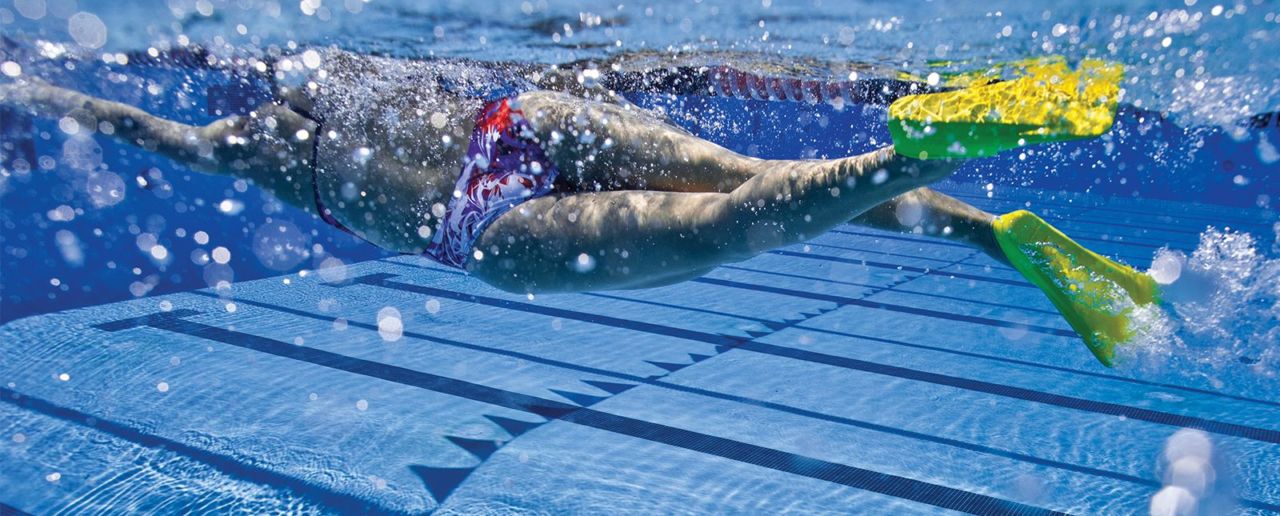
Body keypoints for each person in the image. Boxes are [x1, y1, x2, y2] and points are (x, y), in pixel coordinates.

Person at [0, 47, 1157, 366]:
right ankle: (994, 232)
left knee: (729, 223)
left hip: (479, 223)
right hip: (517, 119)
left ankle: (917, 153)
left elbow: (137, 130)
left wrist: (38, 89)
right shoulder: (335, 59)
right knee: (735, 185)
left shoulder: (247, 137)